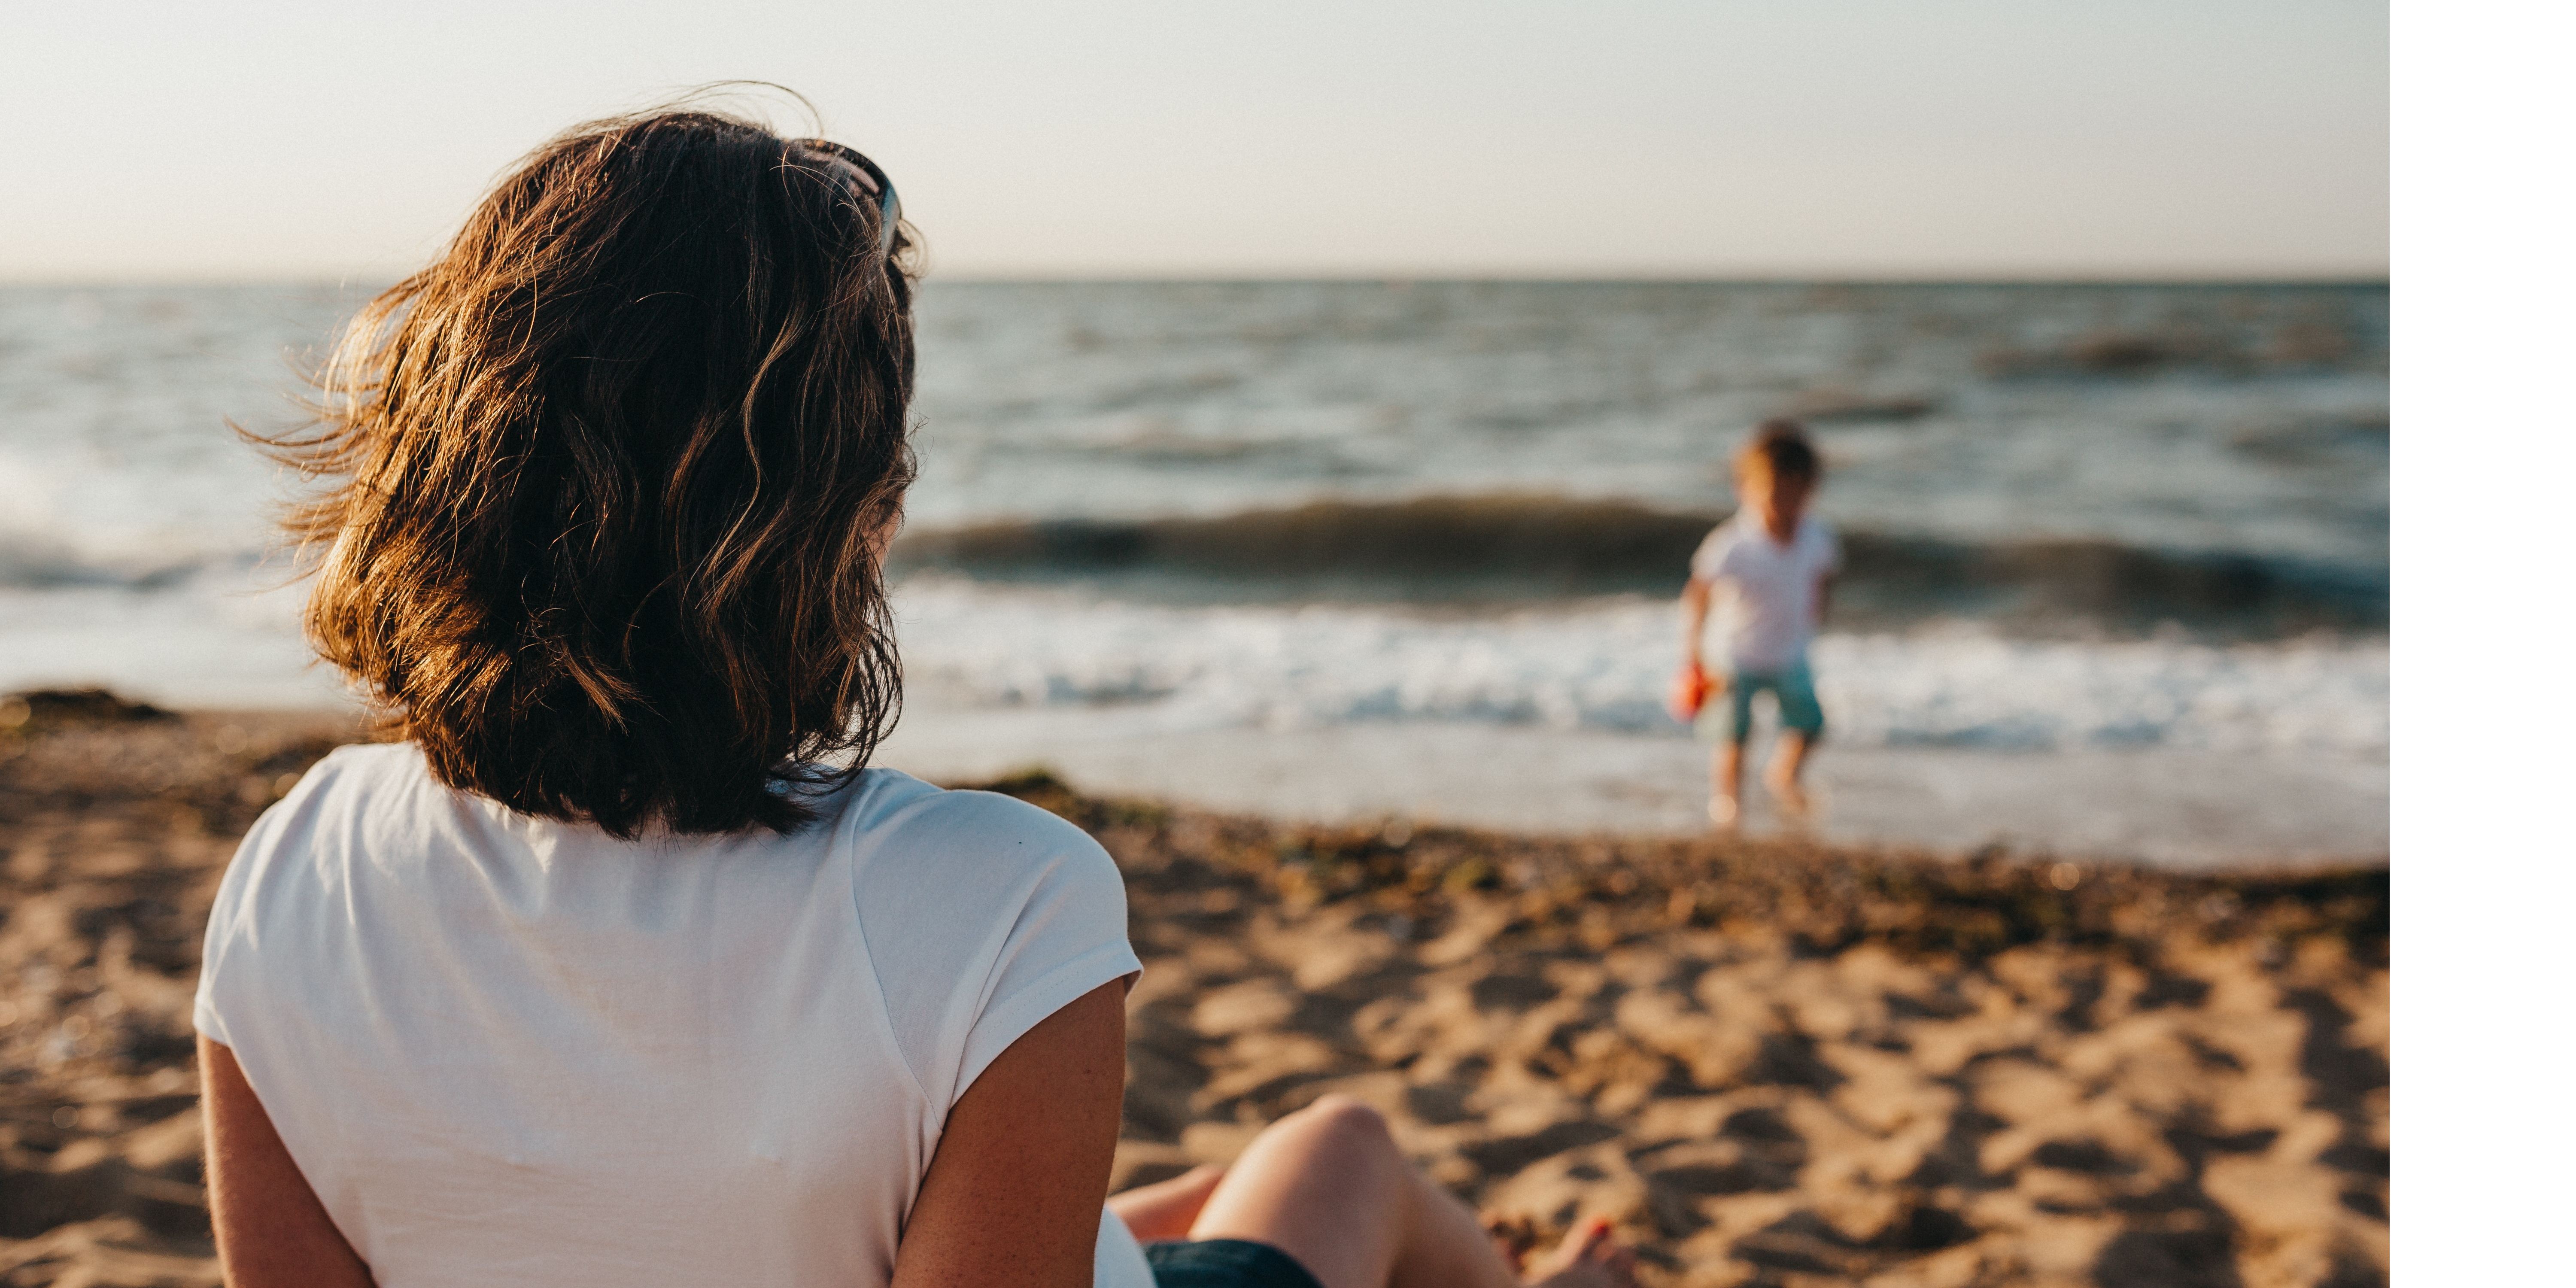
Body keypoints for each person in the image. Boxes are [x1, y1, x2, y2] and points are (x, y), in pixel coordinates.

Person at [194, 105, 1636, 1288]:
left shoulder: (290, 874)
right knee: (1348, 1151)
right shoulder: (1004, 904)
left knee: (1158, 1207)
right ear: (852, 521)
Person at [1671, 421, 1839, 827]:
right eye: (1773, 492)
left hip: (1789, 652)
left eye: (1795, 493)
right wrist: (1692, 656)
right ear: (1743, 489)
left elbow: (1825, 576)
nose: (1784, 503)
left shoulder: (1817, 536)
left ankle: (1783, 774)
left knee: (1811, 726)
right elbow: (1697, 595)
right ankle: (1728, 803)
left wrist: (1816, 616)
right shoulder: (1733, 543)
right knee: (1733, 737)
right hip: (1733, 655)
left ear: (1810, 491)